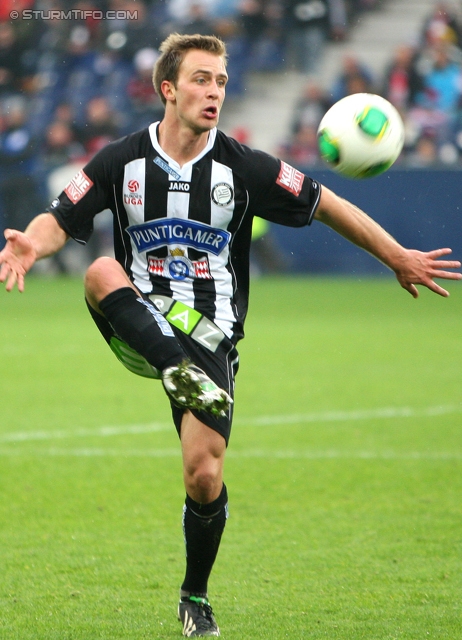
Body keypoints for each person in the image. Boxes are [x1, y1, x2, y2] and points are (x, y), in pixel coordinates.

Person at [0, 33, 461, 638]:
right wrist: (33, 243)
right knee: (99, 270)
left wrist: (397, 255)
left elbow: (327, 203)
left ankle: (195, 596)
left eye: (219, 81)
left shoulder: (245, 166)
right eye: (199, 79)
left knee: (204, 476)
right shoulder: (120, 160)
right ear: (168, 89)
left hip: (211, 337)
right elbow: (61, 218)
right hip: (141, 320)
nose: (213, 91)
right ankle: (172, 367)